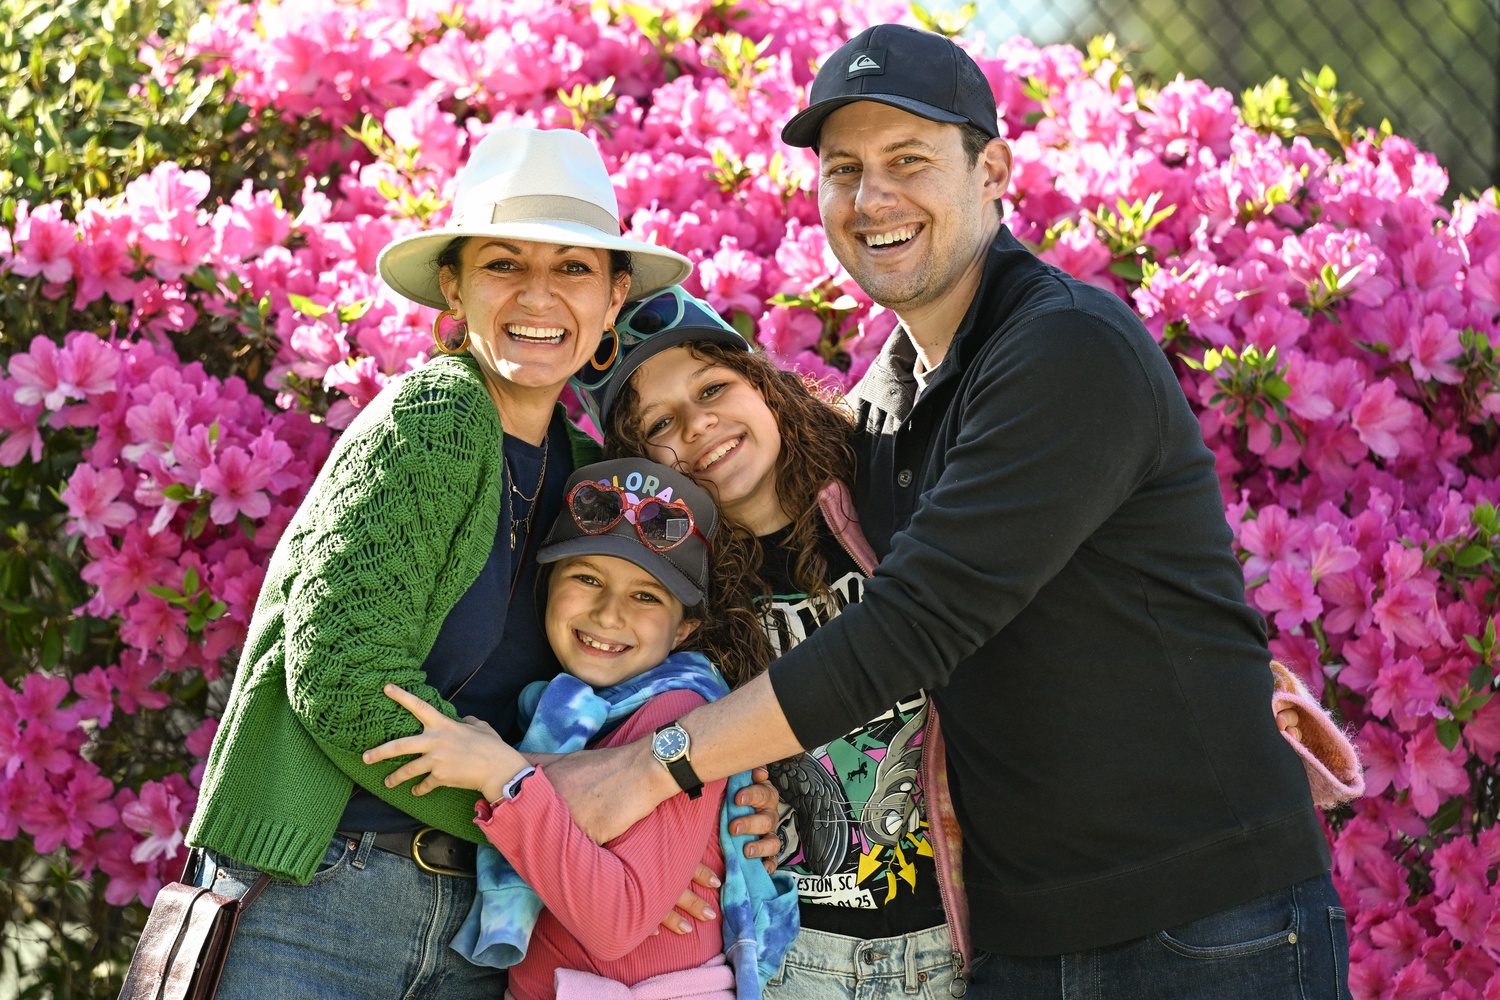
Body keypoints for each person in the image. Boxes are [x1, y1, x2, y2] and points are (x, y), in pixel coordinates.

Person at [539, 26, 1357, 999]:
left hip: (1206, 917)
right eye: (844, 171)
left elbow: (915, 623)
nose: (873, 198)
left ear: (994, 169)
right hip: (1016, 939)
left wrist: (652, 770)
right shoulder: (881, 412)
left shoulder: (1064, 348)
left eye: (909, 160)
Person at [179, 126, 778, 999]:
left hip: (483, 927)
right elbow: (344, 677)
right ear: (454, 287)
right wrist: (558, 815)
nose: (540, 296)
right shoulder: (437, 413)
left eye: (573, 268)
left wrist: (704, 817)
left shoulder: (583, 474)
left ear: (614, 299)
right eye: (504, 264)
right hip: (326, 892)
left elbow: (615, 697)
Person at [363, 457, 799, 1000]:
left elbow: (614, 922)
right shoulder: (554, 709)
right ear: (546, 591)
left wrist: (508, 779)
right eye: (587, 578)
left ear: (686, 627)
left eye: (646, 596)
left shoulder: (678, 715)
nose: (609, 613)